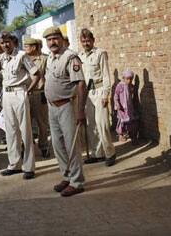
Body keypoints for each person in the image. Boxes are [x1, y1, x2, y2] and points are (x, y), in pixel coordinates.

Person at [43, 26, 87, 197]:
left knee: (71, 145)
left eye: (55, 38)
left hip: (67, 106)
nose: (52, 42)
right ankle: (67, 176)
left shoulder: (71, 57)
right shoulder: (50, 58)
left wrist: (80, 111)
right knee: (58, 145)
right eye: (49, 40)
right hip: (52, 107)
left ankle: (77, 182)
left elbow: (81, 84)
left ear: (61, 39)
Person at [0, 32, 40, 180]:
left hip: (20, 93)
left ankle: (28, 167)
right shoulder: (2, 58)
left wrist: (29, 90)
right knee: (11, 131)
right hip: (7, 95)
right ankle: (14, 164)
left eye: (7, 42)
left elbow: (36, 74)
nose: (5, 45)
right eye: (2, 43)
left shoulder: (21, 56)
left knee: (25, 131)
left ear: (13, 42)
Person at [78, 28, 116, 166]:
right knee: (91, 125)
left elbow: (106, 75)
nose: (86, 43)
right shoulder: (80, 56)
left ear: (93, 40)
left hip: (99, 90)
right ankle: (97, 153)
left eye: (88, 40)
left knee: (103, 124)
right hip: (87, 93)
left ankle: (110, 152)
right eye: (83, 41)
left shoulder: (100, 53)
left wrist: (106, 93)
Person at [23, 37, 50, 158]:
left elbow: (48, 77)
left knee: (42, 123)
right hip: (24, 95)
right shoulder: (22, 59)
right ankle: (27, 148)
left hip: (39, 94)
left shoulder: (44, 59)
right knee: (25, 124)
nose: (24, 49)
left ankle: (44, 146)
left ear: (33, 47)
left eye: (27, 46)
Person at [114, 69, 139, 145]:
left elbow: (134, 97)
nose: (129, 81)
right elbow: (115, 96)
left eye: (131, 79)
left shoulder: (132, 86)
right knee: (121, 122)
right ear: (123, 78)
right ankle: (120, 135)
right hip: (121, 108)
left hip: (130, 108)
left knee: (131, 122)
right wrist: (117, 104)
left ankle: (133, 137)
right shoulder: (119, 86)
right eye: (127, 79)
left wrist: (136, 103)